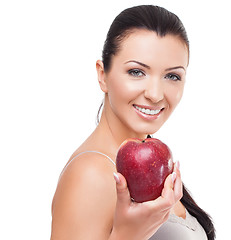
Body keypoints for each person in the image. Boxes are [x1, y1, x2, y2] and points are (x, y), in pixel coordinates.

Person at [51, 5, 215, 240]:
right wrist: (127, 235)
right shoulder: (92, 175)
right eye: (137, 72)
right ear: (102, 75)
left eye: (172, 76)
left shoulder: (149, 163)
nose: (156, 94)